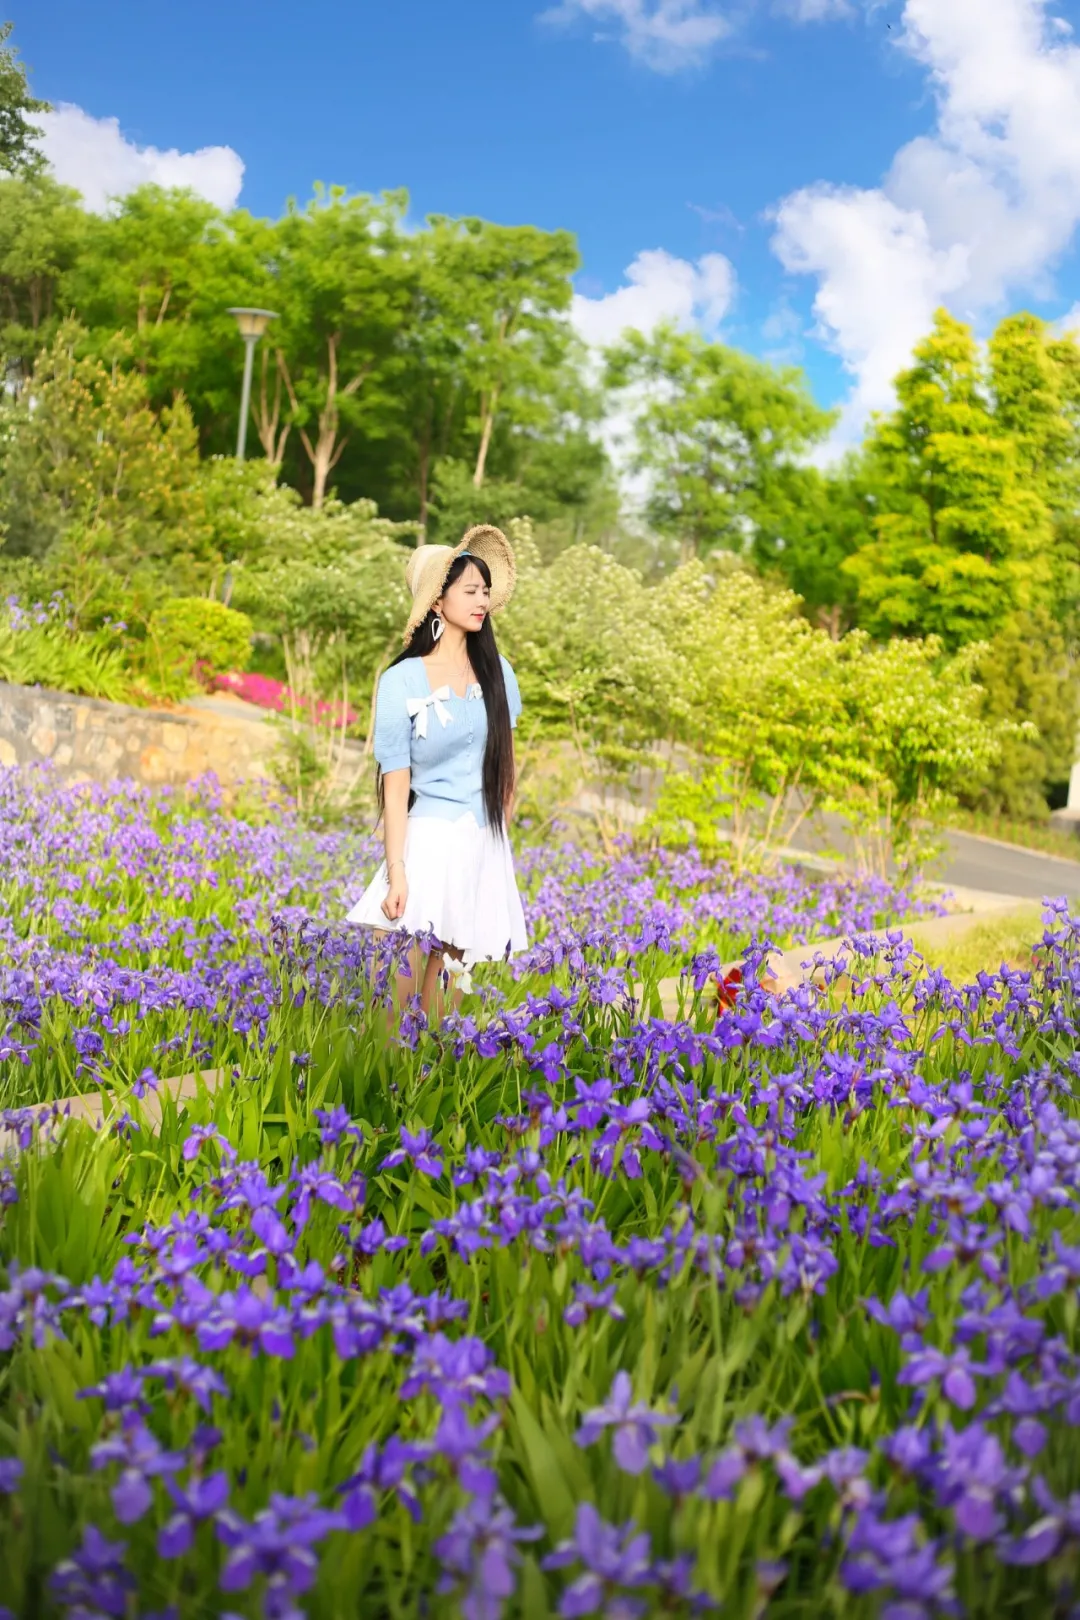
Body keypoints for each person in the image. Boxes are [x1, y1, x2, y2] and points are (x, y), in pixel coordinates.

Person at [346, 525, 528, 1015]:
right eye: (470, 590)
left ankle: (425, 1083)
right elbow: (396, 782)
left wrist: (496, 845)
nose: (482, 600)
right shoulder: (402, 679)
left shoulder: (498, 672)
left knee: (445, 998)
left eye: (485, 591)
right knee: (399, 995)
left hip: (480, 840)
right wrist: (397, 872)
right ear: (436, 602)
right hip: (426, 841)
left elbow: (505, 769)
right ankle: (386, 1084)